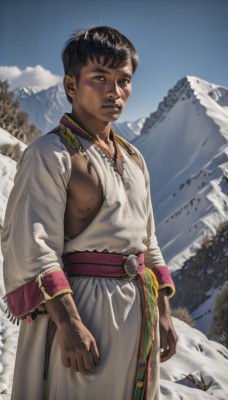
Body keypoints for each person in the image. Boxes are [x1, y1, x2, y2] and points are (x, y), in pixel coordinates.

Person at [1, 26, 178, 400]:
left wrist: (163, 311)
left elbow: (148, 241)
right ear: (71, 85)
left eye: (123, 80)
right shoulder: (49, 155)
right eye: (100, 78)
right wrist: (69, 326)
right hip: (80, 317)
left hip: (137, 318)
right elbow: (33, 248)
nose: (115, 91)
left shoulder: (134, 158)